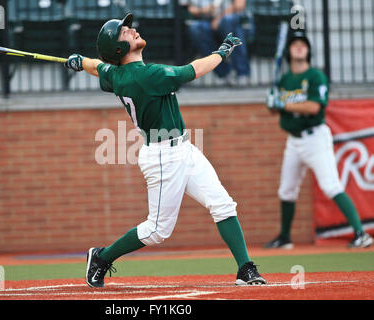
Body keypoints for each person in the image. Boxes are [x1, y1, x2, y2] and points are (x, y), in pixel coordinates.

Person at [64, 13, 266, 288]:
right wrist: (222, 51)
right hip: (162, 157)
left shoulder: (117, 74)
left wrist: (79, 62)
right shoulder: (146, 76)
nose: (132, 30)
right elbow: (191, 70)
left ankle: (245, 268)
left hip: (184, 148)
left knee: (222, 204)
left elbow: (98, 66)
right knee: (158, 230)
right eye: (125, 32)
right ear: (120, 50)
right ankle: (102, 257)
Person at [264, 30, 373, 249]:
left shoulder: (316, 76)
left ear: (309, 51)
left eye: (303, 44)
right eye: (294, 44)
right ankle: (285, 237)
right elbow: (276, 111)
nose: (299, 46)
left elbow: (314, 107)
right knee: (286, 189)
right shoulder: (284, 80)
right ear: (289, 52)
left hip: (315, 138)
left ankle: (361, 234)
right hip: (293, 141)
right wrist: (271, 103)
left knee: (331, 185)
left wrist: (281, 104)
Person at [184, 0, 252, 84]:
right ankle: (225, 72)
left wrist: (219, 18)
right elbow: (190, 9)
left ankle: (242, 72)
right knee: (195, 28)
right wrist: (206, 10)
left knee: (228, 20)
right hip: (208, 21)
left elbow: (239, 5)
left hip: (237, 21)